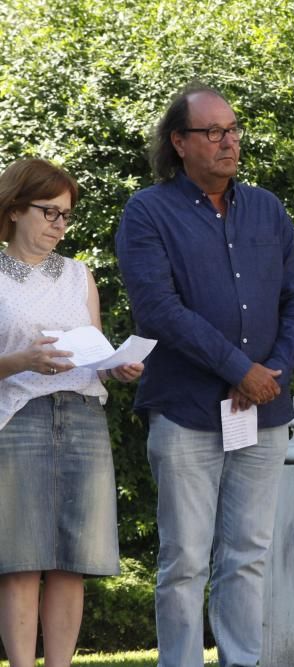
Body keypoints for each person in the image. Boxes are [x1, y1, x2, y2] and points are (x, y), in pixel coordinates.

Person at [115, 86, 294, 667]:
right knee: (184, 560)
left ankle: (241, 661)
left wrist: (270, 371)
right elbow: (159, 309)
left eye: (232, 129)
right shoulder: (148, 212)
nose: (228, 141)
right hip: (185, 412)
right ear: (179, 143)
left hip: (263, 410)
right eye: (212, 132)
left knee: (248, 553)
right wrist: (238, 369)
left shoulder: (266, 209)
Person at [0, 159, 142, 667]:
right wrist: (23, 361)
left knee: (71, 563)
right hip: (18, 419)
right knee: (20, 560)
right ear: (15, 209)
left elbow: (94, 354)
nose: (60, 224)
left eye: (66, 215)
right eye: (49, 212)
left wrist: (116, 368)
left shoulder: (80, 276)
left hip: (83, 417)